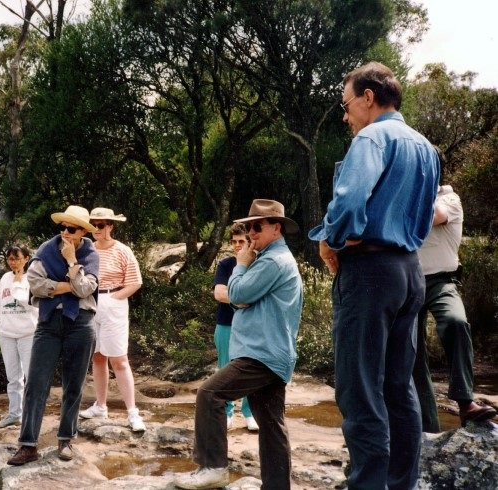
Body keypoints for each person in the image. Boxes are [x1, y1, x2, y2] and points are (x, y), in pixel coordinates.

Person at [308, 62, 440, 490]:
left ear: (368, 97)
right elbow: (424, 216)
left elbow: (347, 207)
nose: (345, 116)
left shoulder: (371, 137)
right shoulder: (425, 147)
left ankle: (366, 484)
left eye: (346, 106)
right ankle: (402, 484)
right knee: (399, 387)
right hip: (410, 271)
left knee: (359, 389)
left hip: (369, 273)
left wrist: (331, 241)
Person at [174, 199, 303, 490]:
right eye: (247, 227)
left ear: (276, 228)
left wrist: (241, 266)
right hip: (271, 352)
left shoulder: (271, 260)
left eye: (257, 227)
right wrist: (240, 288)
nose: (251, 233)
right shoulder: (273, 257)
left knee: (210, 394)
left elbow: (237, 291)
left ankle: (213, 468)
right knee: (271, 423)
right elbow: (240, 297)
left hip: (262, 353)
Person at [7, 205, 99, 466]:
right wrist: (68, 286)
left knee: (74, 385)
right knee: (35, 383)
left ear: (83, 231)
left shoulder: (90, 253)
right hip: (49, 322)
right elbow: (34, 284)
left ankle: (66, 439)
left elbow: (86, 290)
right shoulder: (46, 249)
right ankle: (27, 445)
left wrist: (71, 261)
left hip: (81, 322)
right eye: (62, 227)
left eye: (72, 229)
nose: (65, 233)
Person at [413, 185, 497, 432]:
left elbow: (434, 216)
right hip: (409, 282)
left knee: (455, 321)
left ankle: (465, 402)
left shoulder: (449, 198)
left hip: (442, 281)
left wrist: (412, 188)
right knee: (413, 352)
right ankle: (427, 426)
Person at [79, 207, 145, 431]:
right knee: (97, 357)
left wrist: (115, 298)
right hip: (90, 302)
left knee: (119, 359)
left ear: (110, 226)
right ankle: (101, 405)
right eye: (93, 225)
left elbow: (135, 281)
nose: (97, 229)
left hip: (113, 302)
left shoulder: (123, 250)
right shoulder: (86, 250)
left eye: (101, 225)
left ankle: (132, 412)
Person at [212, 222, 258, 432]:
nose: (237, 245)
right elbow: (219, 294)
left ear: (249, 242)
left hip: (252, 324)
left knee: (251, 369)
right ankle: (227, 412)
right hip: (226, 324)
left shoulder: (258, 263)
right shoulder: (226, 264)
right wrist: (241, 300)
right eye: (234, 242)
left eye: (241, 241)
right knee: (225, 370)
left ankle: (249, 413)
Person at [0, 243, 39, 428]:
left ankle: (31, 416)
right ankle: (14, 414)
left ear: (26, 259)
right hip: (7, 334)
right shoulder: (4, 278)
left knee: (30, 377)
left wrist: (19, 282)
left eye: (17, 258)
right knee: (13, 377)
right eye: (10, 259)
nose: (13, 262)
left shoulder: (32, 278)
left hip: (28, 333)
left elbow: (27, 303)